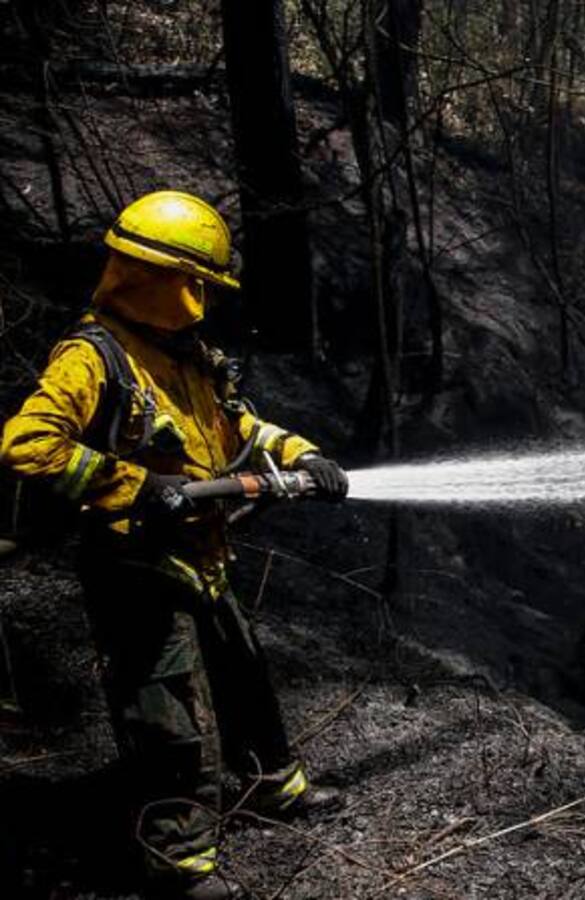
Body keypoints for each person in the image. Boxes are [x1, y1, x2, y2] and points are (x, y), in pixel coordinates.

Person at [0, 191, 349, 899]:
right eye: (195, 285)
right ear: (155, 276)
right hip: (133, 566)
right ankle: (178, 861)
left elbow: (239, 431)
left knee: (246, 678)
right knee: (163, 717)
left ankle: (271, 787)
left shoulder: (187, 357)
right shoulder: (91, 357)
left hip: (204, 553)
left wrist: (305, 456)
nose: (202, 300)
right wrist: (131, 486)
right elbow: (27, 445)